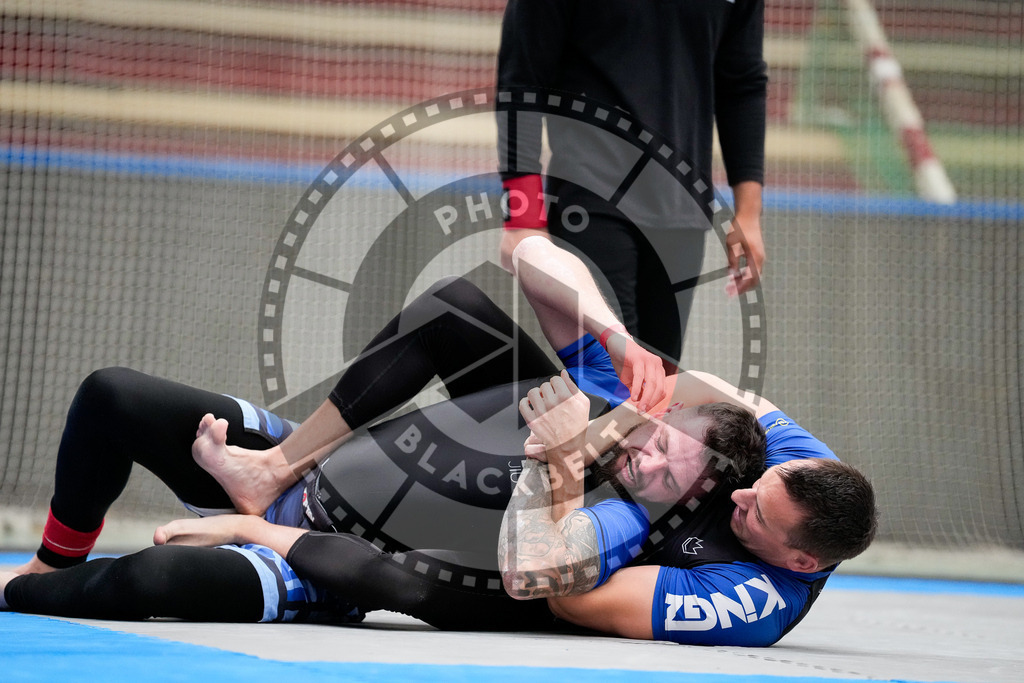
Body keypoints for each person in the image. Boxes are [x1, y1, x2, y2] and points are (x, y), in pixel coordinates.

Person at [2, 239, 875, 647]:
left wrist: (562, 464)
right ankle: (262, 470)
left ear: (794, 560)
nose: (737, 494)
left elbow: (557, 595)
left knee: (154, 576)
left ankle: (20, 595)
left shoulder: (700, 568)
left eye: (753, 511)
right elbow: (529, 250)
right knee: (113, 394)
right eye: (653, 431)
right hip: (329, 473)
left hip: (352, 544)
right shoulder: (734, 440)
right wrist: (611, 338)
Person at [497, 0, 769, 361]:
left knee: (660, 387)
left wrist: (749, 213)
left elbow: (743, 81)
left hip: (682, 206)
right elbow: (522, 77)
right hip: (591, 195)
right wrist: (523, 217)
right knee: (613, 384)